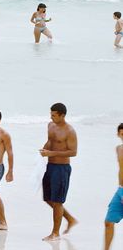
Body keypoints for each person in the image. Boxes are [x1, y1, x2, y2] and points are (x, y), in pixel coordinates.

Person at [40, 103, 78, 241]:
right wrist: (44, 150)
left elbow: (73, 152)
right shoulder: (50, 125)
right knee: (48, 198)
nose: (52, 117)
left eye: (54, 115)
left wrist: (51, 152)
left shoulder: (70, 131)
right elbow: (50, 141)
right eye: (51, 114)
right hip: (50, 166)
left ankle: (55, 233)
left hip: (62, 168)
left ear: (62, 115)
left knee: (57, 201)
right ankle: (70, 219)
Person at [90, 123, 123, 250]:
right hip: (120, 189)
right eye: (121, 133)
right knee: (108, 222)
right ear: (118, 134)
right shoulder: (118, 149)